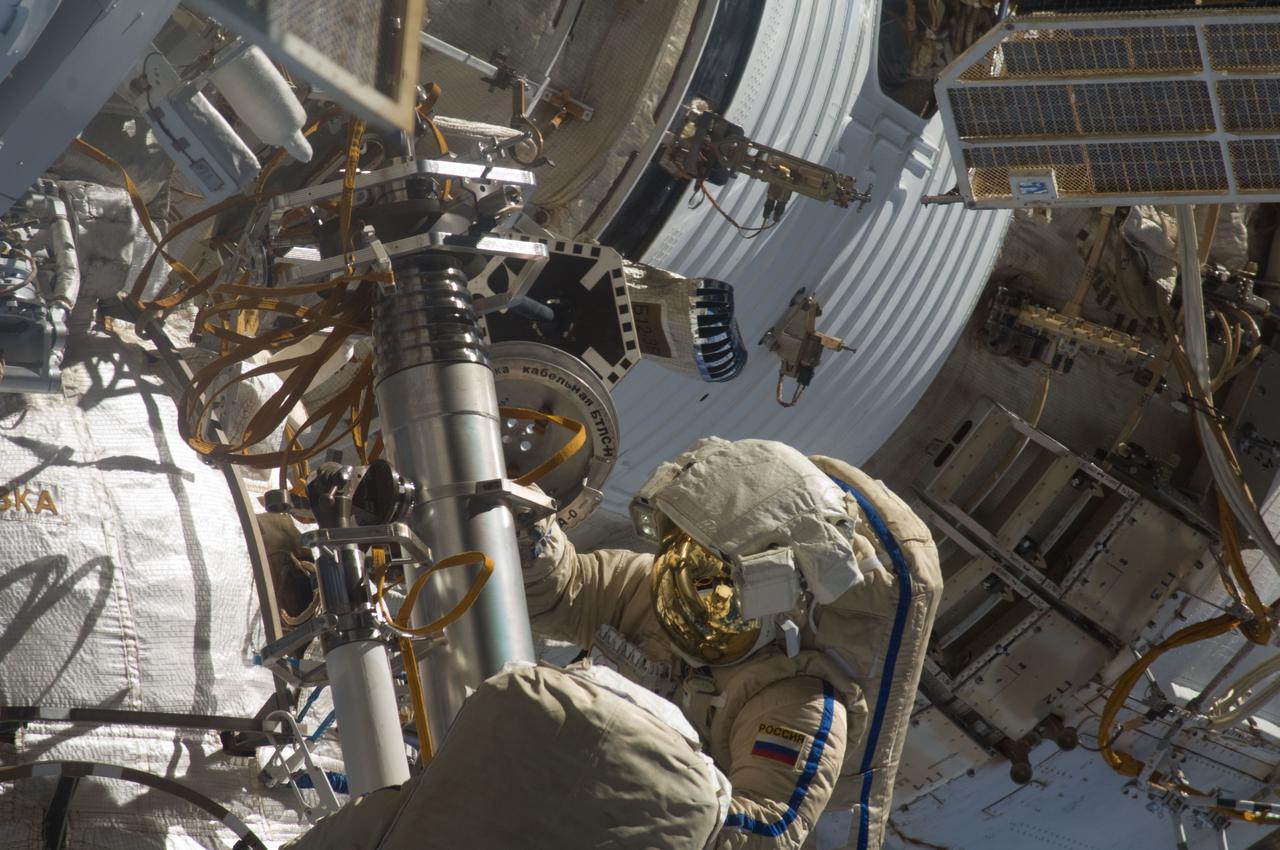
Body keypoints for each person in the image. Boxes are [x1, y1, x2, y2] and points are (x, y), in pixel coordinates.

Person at [521, 436, 942, 850]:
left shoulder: (796, 705)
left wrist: (637, 798)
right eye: (689, 554)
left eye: (725, 583)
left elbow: (766, 827)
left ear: (783, 600)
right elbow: (566, 593)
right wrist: (529, 532)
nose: (701, 591)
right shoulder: (666, 586)